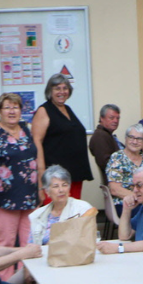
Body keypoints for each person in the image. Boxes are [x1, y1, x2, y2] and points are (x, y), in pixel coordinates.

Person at [27, 165, 97, 284]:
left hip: (77, 265)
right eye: (56, 186)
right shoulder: (37, 216)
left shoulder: (83, 208)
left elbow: (91, 241)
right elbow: (31, 246)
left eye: (64, 184)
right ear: (46, 190)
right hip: (46, 266)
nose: (61, 190)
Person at [0, 93, 39, 281]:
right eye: (7, 107)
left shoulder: (27, 129)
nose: (11, 111)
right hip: (3, 200)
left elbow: (36, 156)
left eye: (15, 107)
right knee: (5, 244)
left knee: (29, 244)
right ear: (0, 111)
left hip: (30, 197)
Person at [31, 73, 93, 202]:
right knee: (56, 217)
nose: (62, 92)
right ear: (50, 91)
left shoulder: (67, 109)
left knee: (71, 216)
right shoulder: (44, 110)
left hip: (74, 175)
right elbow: (36, 142)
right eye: (57, 88)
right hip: (55, 178)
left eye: (65, 88)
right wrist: (41, 178)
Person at [106, 123, 143, 216]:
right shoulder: (117, 158)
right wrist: (140, 198)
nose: (135, 141)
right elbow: (114, 189)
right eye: (131, 137)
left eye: (139, 139)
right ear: (126, 139)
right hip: (125, 203)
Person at [88, 104, 123, 181]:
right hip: (116, 182)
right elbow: (105, 163)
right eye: (111, 118)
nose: (116, 121)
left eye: (118, 118)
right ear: (101, 118)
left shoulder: (107, 134)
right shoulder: (100, 136)